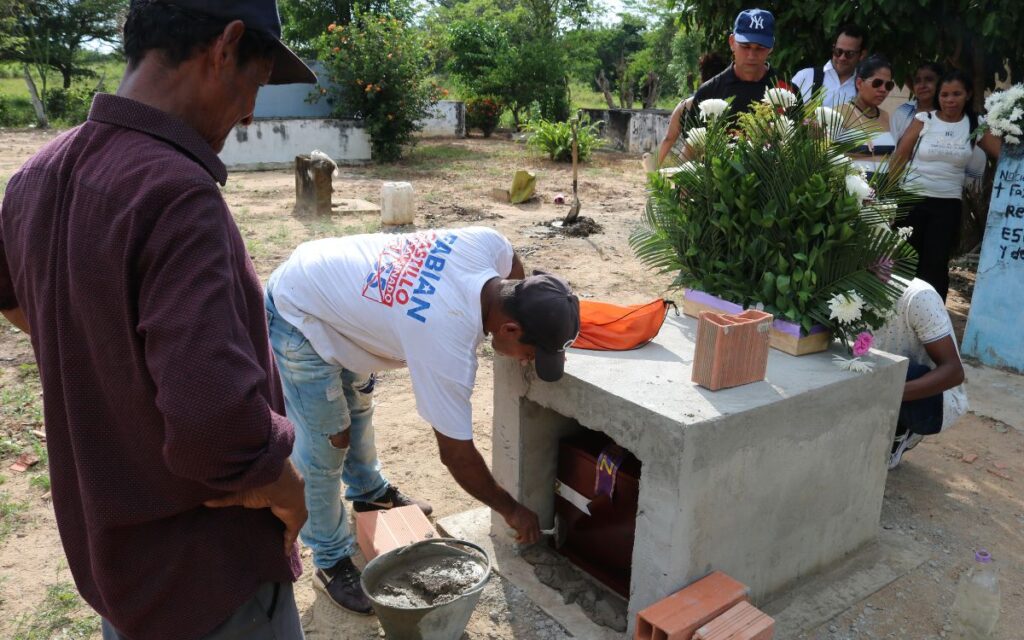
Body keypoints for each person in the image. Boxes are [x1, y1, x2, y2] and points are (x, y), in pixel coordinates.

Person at [0, 1, 316, 639]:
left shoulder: (34, 175)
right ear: (225, 48)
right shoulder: (176, 194)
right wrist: (286, 488)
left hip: (118, 568)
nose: (251, 112)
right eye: (255, 84)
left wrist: (114, 359)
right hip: (208, 579)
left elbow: (15, 300)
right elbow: (215, 429)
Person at [264, 226, 580, 614]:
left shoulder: (489, 245)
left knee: (358, 409)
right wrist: (512, 510)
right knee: (330, 439)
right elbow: (456, 455)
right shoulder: (445, 340)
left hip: (343, 289)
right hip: (301, 312)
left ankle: (369, 492)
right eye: (532, 353)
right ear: (509, 328)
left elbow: (513, 262)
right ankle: (329, 560)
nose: (529, 361)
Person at [892, 70, 1002, 300]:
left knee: (935, 265)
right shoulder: (924, 120)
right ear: (938, 96)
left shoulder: (976, 124)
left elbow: (1002, 155)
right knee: (903, 261)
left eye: (956, 94)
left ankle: (931, 322)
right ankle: (893, 317)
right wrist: (886, 192)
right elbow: (900, 157)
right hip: (911, 199)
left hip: (946, 205)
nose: (950, 100)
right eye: (944, 95)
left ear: (968, 95)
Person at [874, 278, 967, 469]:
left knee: (901, 371)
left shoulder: (918, 297)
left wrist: (889, 394)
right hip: (877, 378)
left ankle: (901, 432)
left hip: (928, 397)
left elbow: (954, 372)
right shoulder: (839, 288)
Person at [690, 8, 779, 119]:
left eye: (760, 48)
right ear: (732, 42)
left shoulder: (786, 92)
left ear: (771, 47)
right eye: (745, 46)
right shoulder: (709, 93)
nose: (751, 55)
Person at [656, 52, 728, 167]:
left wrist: (654, 169)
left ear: (702, 75)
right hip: (723, 168)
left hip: (688, 169)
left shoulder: (685, 105)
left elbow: (668, 139)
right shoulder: (730, 104)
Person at [838, 55, 896, 177]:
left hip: (882, 192)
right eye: (877, 83)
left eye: (888, 85)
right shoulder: (840, 113)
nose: (883, 89)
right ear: (859, 83)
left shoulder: (886, 116)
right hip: (850, 193)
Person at [791, 23, 867, 107]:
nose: (842, 58)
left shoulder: (864, 89)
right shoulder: (806, 76)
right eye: (838, 51)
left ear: (862, 55)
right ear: (833, 48)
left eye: (849, 53)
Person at [890, 61, 943, 142]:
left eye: (929, 80)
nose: (922, 85)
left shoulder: (949, 114)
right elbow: (893, 149)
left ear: (940, 83)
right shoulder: (902, 112)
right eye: (917, 81)